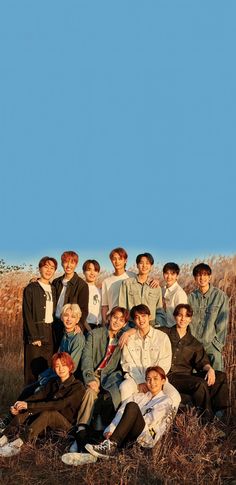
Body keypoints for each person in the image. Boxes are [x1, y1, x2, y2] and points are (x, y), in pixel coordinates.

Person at [0, 352, 85, 457]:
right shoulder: (53, 382)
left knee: (48, 412)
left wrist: (29, 405)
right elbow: (38, 396)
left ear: (70, 366)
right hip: (46, 423)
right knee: (30, 409)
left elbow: (58, 405)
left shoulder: (78, 386)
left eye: (64, 365)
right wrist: (22, 405)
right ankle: (3, 437)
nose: (61, 369)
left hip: (66, 426)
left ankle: (17, 445)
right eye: (57, 366)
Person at [69, 306, 130, 452]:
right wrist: (90, 378)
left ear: (125, 324)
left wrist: (131, 331)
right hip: (94, 374)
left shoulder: (124, 337)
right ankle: (80, 434)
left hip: (110, 377)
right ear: (108, 317)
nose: (116, 322)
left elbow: (142, 326)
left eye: (121, 320)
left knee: (113, 397)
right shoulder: (94, 334)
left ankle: (107, 438)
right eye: (115, 317)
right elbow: (87, 359)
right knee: (90, 393)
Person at [85, 366, 174, 458]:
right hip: (128, 436)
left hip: (146, 438)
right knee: (93, 437)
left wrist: (124, 429)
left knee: (132, 407)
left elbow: (151, 421)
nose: (152, 382)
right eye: (148, 379)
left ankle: (111, 445)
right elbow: (121, 413)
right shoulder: (138, 397)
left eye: (156, 379)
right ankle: (110, 447)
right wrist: (110, 430)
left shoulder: (165, 401)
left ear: (163, 381)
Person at [159, 304, 228, 420]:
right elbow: (146, 330)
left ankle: (218, 416)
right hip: (170, 375)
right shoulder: (164, 332)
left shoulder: (194, 342)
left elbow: (202, 361)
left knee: (221, 376)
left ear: (190, 319)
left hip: (186, 377)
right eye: (180, 315)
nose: (183, 319)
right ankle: (207, 421)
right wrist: (128, 332)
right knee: (199, 383)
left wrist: (210, 369)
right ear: (175, 316)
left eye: (186, 316)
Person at [119, 304, 180, 409]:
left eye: (143, 316)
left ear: (149, 317)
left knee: (175, 397)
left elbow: (165, 362)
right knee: (124, 387)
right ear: (133, 321)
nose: (141, 320)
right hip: (136, 379)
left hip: (158, 380)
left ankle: (164, 424)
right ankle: (126, 419)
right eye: (137, 317)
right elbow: (127, 363)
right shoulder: (129, 339)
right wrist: (141, 381)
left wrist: (152, 381)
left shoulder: (162, 337)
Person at [23, 256, 58, 385]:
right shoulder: (31, 288)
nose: (49, 270)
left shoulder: (53, 289)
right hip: (36, 332)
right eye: (46, 267)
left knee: (47, 368)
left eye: (52, 268)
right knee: (32, 371)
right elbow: (27, 314)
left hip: (50, 331)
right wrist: (34, 336)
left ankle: (43, 402)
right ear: (40, 268)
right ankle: (27, 401)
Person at [188, 263, 229, 371]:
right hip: (195, 346)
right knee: (197, 379)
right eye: (198, 275)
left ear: (209, 276)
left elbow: (222, 323)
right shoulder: (190, 298)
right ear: (195, 278)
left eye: (205, 275)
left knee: (218, 379)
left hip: (212, 345)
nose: (202, 278)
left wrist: (217, 345)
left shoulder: (220, 296)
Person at [119, 253, 166, 327]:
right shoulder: (127, 283)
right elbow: (122, 308)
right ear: (137, 265)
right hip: (132, 325)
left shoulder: (156, 287)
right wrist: (126, 328)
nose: (144, 266)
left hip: (151, 326)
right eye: (141, 263)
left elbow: (159, 310)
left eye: (147, 263)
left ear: (151, 266)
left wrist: (157, 327)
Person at [53, 251, 89, 345]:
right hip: (55, 323)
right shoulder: (56, 282)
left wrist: (79, 325)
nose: (68, 265)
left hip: (69, 325)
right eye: (65, 262)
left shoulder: (82, 285)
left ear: (76, 264)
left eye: (72, 262)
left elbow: (84, 309)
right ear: (62, 263)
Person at [101, 248, 135, 324]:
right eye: (114, 259)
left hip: (130, 320)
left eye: (120, 259)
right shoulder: (106, 281)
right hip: (113, 320)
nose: (117, 262)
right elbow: (105, 306)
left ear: (125, 260)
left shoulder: (133, 277)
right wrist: (105, 322)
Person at [162, 262, 188, 327]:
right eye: (166, 273)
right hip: (163, 327)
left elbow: (182, 315)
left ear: (177, 276)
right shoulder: (163, 290)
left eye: (172, 274)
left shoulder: (179, 293)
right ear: (163, 274)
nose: (169, 276)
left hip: (173, 329)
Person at [82, 259, 102, 332]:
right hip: (85, 327)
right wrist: (89, 329)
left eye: (95, 270)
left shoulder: (100, 291)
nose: (92, 273)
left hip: (98, 327)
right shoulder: (81, 289)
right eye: (89, 270)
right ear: (84, 272)